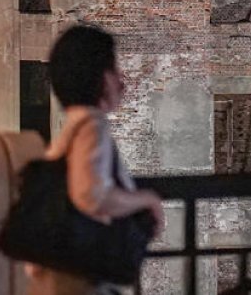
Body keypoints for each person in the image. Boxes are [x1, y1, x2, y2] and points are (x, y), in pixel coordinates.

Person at [28, 25, 165, 295]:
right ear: (100, 78)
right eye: (114, 70)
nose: (121, 81)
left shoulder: (70, 131)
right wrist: (147, 200)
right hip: (81, 280)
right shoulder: (92, 126)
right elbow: (90, 195)